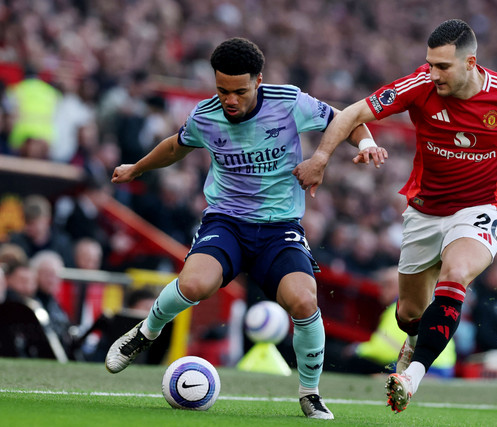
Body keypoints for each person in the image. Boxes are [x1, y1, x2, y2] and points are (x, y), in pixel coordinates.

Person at [293, 19, 497, 413]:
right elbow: (354, 112)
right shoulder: (419, 85)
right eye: (430, 63)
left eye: (442, 66)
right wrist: (321, 157)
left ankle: (412, 375)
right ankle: (414, 341)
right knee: (409, 315)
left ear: (470, 63)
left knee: (455, 274)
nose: (433, 73)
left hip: (480, 208)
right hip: (424, 213)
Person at [104, 37, 386, 420]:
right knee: (192, 285)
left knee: (304, 301)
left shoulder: (289, 102)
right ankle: (145, 333)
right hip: (227, 221)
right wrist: (136, 167)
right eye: (222, 90)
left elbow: (347, 119)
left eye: (239, 91)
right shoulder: (206, 116)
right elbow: (175, 146)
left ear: (259, 80)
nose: (230, 100)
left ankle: (310, 393)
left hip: (279, 227)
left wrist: (366, 142)